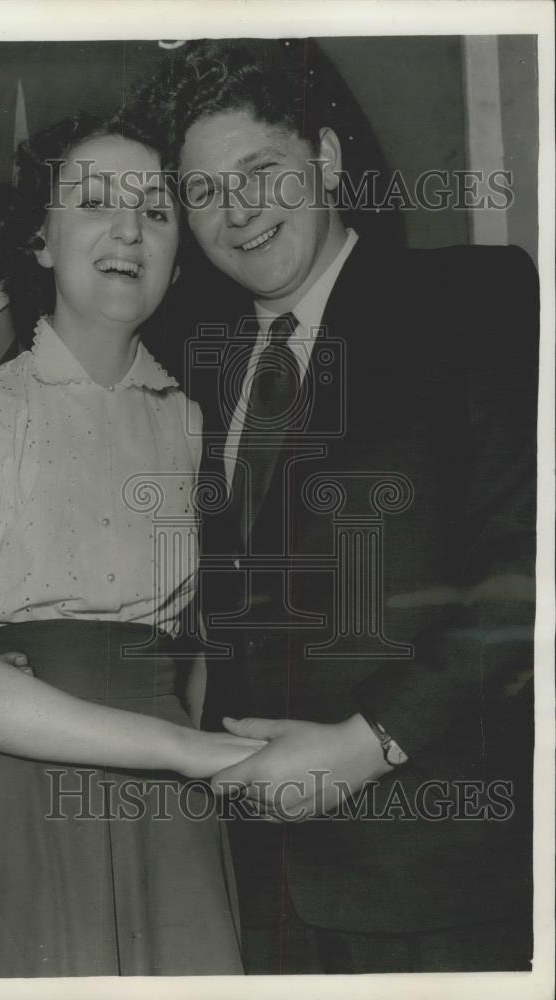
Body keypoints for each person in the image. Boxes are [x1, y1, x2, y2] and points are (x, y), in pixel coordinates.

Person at [147, 39, 538, 974]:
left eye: (261, 172)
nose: (236, 213)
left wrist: (368, 745)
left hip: (438, 879)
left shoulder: (472, 299)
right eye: (204, 192)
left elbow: (526, 568)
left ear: (323, 158)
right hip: (247, 895)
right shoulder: (190, 363)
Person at [0, 108, 265, 979]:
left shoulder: (199, 427)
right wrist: (188, 752)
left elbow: (200, 655)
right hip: (16, 810)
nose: (129, 229)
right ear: (41, 241)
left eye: (158, 212)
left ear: (177, 253)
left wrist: (191, 747)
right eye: (95, 202)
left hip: (168, 824)